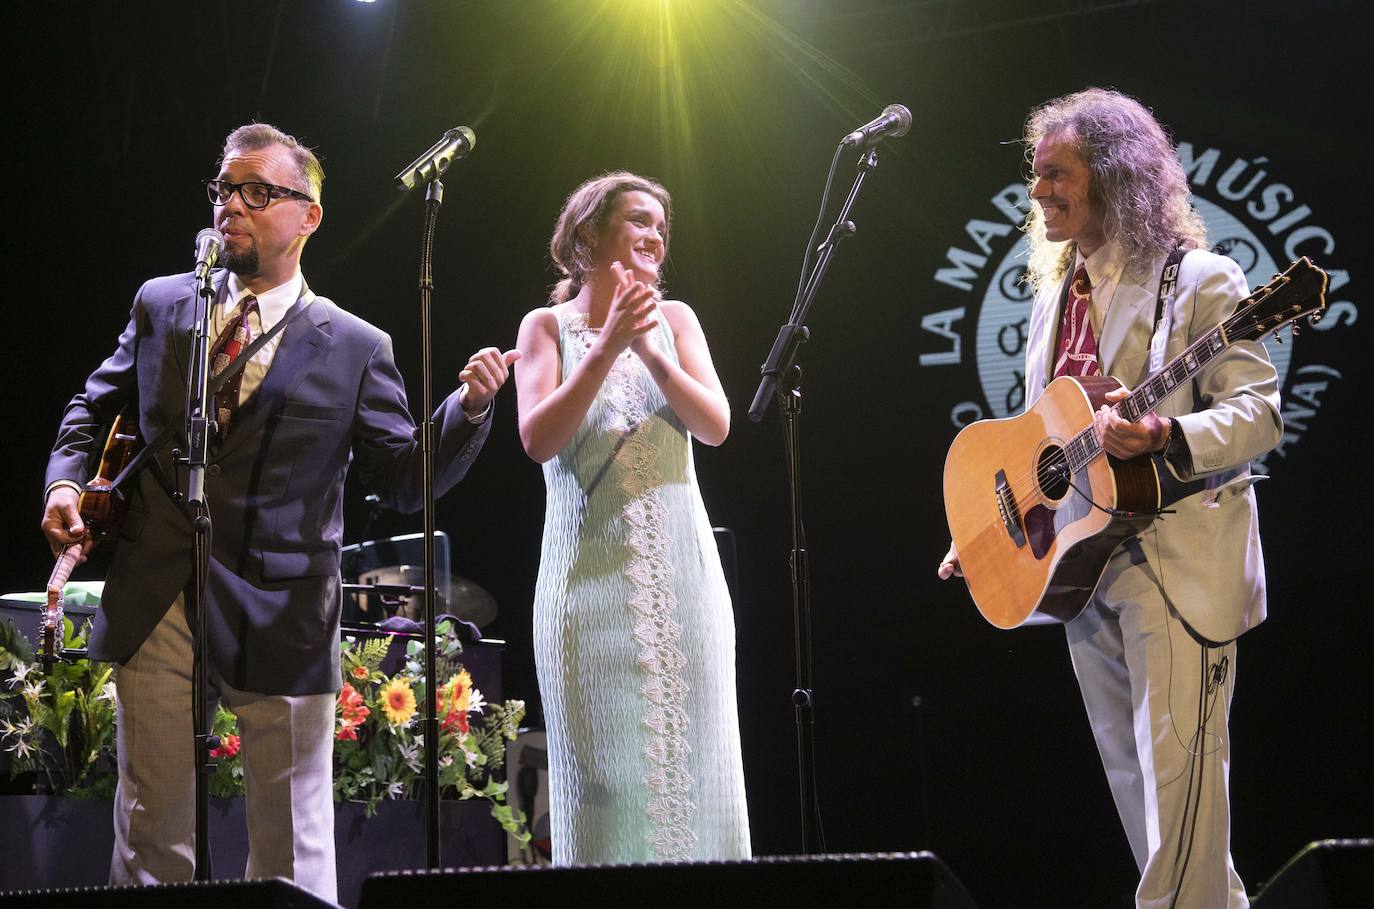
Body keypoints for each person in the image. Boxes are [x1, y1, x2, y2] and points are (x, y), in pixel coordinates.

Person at [40, 123, 518, 900]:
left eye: (258, 192)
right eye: (224, 189)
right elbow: (91, 406)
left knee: (291, 846)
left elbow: (405, 476)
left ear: (308, 216)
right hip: (158, 593)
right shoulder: (164, 303)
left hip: (285, 611)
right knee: (151, 833)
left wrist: (465, 410)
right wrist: (64, 483)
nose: (233, 205)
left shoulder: (356, 345)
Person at [938, 89, 1281, 907]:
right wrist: (988, 524)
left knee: (1183, 800)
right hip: (1085, 569)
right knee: (1152, 812)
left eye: (1057, 173)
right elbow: (1040, 439)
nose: (1038, 190)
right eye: (1036, 173)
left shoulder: (1200, 280)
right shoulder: (1056, 297)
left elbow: (1260, 413)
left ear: (1115, 175)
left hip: (1178, 560)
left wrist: (1166, 432)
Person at [514, 172, 750, 864]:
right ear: (587, 234)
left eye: (661, 228)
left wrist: (646, 348)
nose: (655, 237)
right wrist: (607, 344)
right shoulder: (544, 327)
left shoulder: (676, 322)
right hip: (586, 590)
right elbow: (539, 439)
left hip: (685, 583)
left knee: (700, 774)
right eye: (639, 221)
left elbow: (716, 425)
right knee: (605, 790)